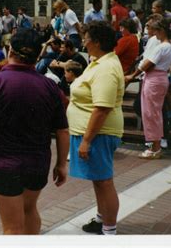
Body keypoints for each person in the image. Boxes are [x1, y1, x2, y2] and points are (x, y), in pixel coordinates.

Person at [0, 28, 69, 235]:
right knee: (30, 210)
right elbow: (63, 131)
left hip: (4, 166)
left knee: (12, 227)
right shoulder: (49, 87)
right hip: (37, 164)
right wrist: (61, 164)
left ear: (10, 49)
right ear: (37, 55)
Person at [67, 21, 124, 235]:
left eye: (87, 38)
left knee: (104, 181)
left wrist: (87, 141)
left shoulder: (106, 68)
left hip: (99, 134)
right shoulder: (99, 62)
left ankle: (109, 230)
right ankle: (102, 219)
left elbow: (102, 108)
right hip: (94, 133)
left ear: (97, 42)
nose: (83, 41)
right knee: (99, 180)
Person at [125, 18, 171, 159]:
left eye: (155, 30)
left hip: (154, 79)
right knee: (154, 113)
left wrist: (132, 75)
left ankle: (155, 147)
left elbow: (147, 63)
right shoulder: (170, 47)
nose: (154, 34)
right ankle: (155, 145)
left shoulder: (161, 47)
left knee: (151, 113)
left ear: (161, 31)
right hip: (161, 78)